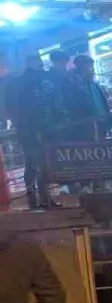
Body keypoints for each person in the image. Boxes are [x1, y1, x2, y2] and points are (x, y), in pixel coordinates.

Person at [13, 56, 53, 209]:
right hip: (28, 131)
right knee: (32, 164)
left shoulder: (47, 85)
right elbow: (15, 109)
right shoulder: (20, 85)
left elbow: (52, 105)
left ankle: (45, 197)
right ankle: (32, 198)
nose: (39, 70)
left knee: (45, 164)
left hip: (45, 130)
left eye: (40, 66)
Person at [59, 54, 112, 141]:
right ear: (81, 67)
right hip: (88, 124)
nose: (92, 69)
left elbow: (102, 103)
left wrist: (108, 122)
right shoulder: (73, 83)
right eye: (89, 66)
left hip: (100, 122)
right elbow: (74, 104)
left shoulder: (92, 83)